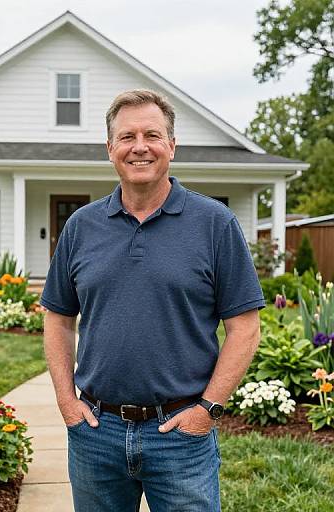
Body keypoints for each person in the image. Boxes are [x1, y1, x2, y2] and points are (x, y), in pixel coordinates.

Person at [40, 89, 265, 511]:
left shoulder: (214, 224)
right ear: (110, 148)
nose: (139, 147)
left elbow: (244, 328)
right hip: (95, 432)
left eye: (152, 135)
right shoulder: (81, 227)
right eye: (126, 137)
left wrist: (208, 411)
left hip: (181, 435)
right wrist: (67, 403)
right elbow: (58, 320)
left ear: (172, 146)